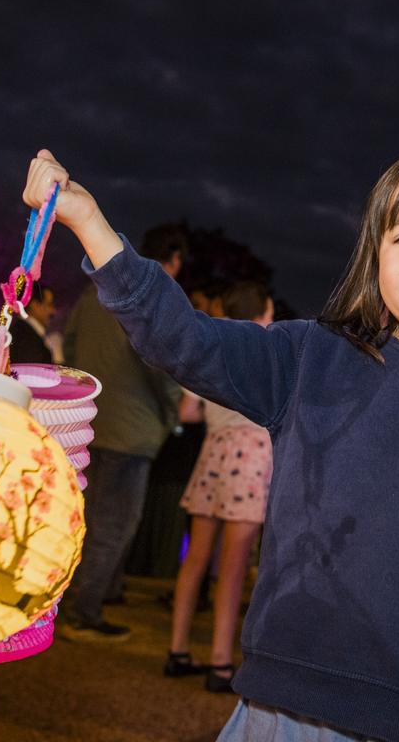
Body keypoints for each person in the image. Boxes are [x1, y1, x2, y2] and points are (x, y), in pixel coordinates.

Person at [23, 142, 399, 742]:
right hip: (278, 714)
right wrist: (90, 222)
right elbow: (183, 339)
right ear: (375, 253)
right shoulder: (311, 358)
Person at [58, 222, 187, 642]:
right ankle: (84, 611)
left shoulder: (93, 292)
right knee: (115, 525)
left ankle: (86, 594)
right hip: (133, 428)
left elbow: (72, 343)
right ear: (174, 261)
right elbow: (162, 367)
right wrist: (173, 415)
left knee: (86, 518)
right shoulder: (151, 296)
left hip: (90, 422)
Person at [165, 280, 275, 693]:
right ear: (262, 314)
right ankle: (221, 663)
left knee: (195, 560)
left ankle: (177, 651)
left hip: (212, 453)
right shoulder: (265, 350)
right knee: (232, 570)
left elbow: (187, 411)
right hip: (250, 459)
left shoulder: (210, 344)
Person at [8, 282, 58, 364]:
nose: (53, 311)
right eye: (49, 305)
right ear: (35, 305)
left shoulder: (21, 331)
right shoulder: (25, 337)